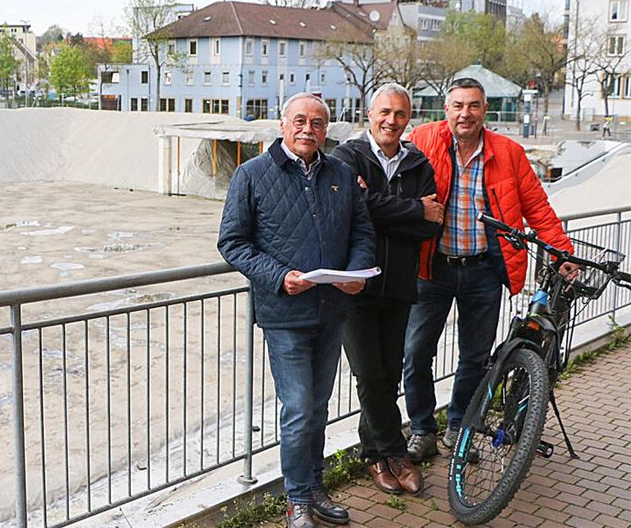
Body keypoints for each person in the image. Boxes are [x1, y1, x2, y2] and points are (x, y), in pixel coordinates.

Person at [218, 92, 375, 528]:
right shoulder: (251, 175)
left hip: (331, 309)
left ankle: (315, 487)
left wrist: (356, 270)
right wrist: (278, 276)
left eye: (319, 123)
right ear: (282, 124)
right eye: (300, 121)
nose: (309, 129)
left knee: (319, 407)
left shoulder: (341, 173)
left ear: (328, 129)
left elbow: (362, 230)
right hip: (284, 312)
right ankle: (297, 499)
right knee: (300, 407)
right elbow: (232, 242)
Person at [402, 78, 575, 462]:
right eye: (458, 105)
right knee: (415, 352)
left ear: (485, 111)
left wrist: (563, 253)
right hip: (432, 267)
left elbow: (538, 208)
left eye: (474, 106)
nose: (466, 113)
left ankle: (458, 428)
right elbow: (386, 170)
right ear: (445, 109)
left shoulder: (508, 153)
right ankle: (421, 428)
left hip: (483, 271)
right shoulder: (423, 139)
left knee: (475, 357)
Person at [329, 83, 441, 496]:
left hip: (398, 285)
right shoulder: (346, 156)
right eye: (384, 112)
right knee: (370, 374)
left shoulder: (417, 163)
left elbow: (433, 224)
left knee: (387, 373)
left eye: (399, 114)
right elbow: (350, 210)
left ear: (408, 119)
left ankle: (371, 453)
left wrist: (376, 207)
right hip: (355, 285)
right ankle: (394, 454)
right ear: (369, 114)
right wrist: (411, 209)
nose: (391, 121)